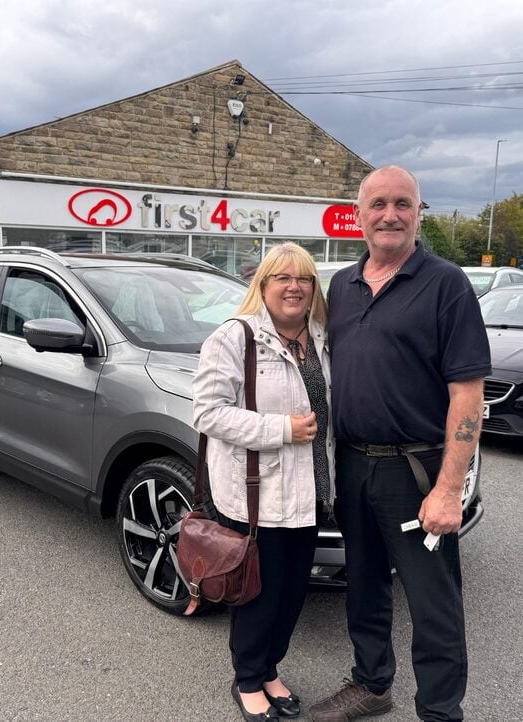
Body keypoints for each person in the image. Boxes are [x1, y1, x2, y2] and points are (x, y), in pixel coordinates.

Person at [309, 166, 491, 722]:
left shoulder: (446, 284)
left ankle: (440, 711)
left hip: (416, 472)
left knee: (433, 601)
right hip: (354, 465)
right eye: (379, 204)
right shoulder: (340, 285)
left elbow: (467, 394)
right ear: (359, 215)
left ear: (419, 213)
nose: (391, 214)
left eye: (403, 204)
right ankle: (371, 684)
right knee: (363, 587)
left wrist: (448, 489)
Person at [192, 242, 335, 721]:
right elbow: (207, 412)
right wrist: (281, 430)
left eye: (305, 278)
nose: (295, 286)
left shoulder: (320, 336)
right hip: (259, 495)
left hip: (311, 492)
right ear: (263, 285)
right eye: (283, 277)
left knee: (293, 594)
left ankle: (270, 668)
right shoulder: (236, 338)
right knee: (258, 594)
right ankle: (248, 680)